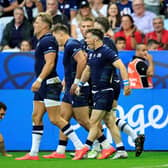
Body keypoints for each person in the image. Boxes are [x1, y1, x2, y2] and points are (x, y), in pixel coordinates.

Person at [15, 12, 84, 160]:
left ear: (45, 25)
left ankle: (80, 146)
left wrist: (39, 79)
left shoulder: (48, 41)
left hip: (50, 83)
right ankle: (33, 153)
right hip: (44, 85)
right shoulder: (41, 41)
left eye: (38, 22)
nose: (34, 24)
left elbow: (50, 63)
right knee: (36, 116)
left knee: (55, 118)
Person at [43, 24, 115, 160]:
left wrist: (77, 82)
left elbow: (82, 60)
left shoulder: (71, 44)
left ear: (60, 34)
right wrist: (67, 80)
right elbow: (74, 65)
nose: (54, 41)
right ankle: (60, 150)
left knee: (84, 121)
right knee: (63, 117)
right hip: (70, 88)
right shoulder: (70, 45)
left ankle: (106, 146)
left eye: (54, 38)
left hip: (77, 88)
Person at [72, 28, 131, 160]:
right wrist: (80, 85)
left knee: (93, 122)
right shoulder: (91, 53)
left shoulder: (107, 52)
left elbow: (121, 67)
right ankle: (121, 150)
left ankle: (85, 149)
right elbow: (87, 70)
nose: (85, 40)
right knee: (110, 122)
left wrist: (126, 84)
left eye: (87, 38)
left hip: (105, 91)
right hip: (96, 92)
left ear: (96, 39)